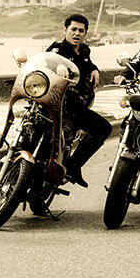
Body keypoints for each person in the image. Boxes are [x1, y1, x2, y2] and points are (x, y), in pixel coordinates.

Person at [45, 14, 113, 188]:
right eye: (73, 29)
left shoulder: (84, 51)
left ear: (85, 33)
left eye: (81, 31)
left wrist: (95, 69)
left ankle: (74, 166)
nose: (77, 33)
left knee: (104, 128)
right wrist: (58, 66)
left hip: (77, 108)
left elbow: (87, 64)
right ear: (65, 30)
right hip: (57, 105)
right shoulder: (57, 49)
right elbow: (47, 61)